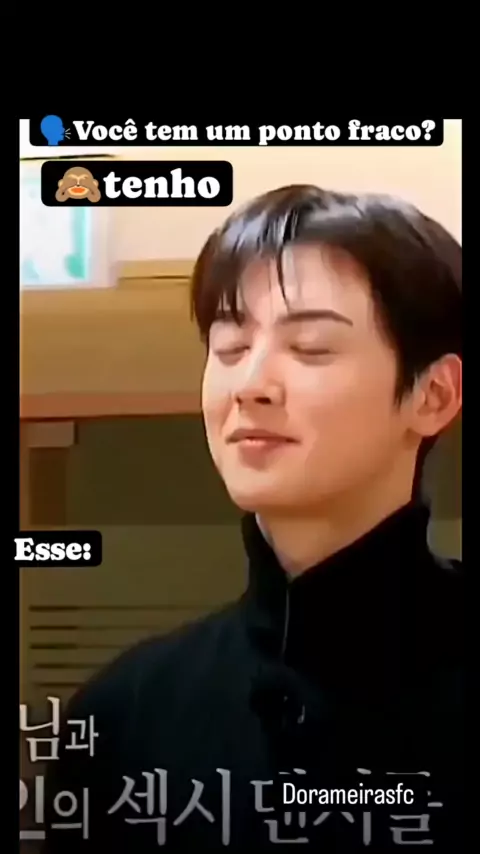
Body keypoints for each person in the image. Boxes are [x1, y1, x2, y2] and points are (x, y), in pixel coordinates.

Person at [42, 185, 463, 852]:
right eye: (231, 347)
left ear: (433, 395)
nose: (251, 385)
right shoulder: (127, 711)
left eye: (312, 348)